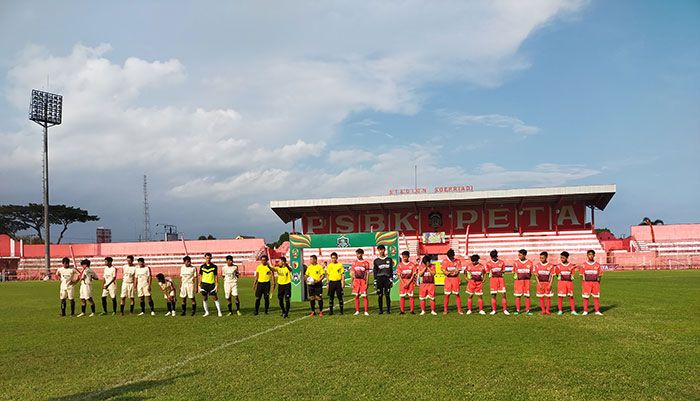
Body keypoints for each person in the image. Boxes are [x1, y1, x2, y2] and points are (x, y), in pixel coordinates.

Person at [580, 250, 604, 316]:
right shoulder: (583, 265)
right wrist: (583, 283)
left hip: (595, 283)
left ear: (594, 255)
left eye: (592, 254)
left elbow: (600, 275)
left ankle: (597, 311)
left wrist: (598, 282)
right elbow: (581, 275)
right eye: (589, 254)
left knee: (596, 297)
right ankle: (585, 311)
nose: (590, 256)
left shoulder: (597, 265)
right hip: (586, 283)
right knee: (586, 297)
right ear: (587, 255)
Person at [486, 250, 509, 315]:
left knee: (503, 295)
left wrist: (500, 273)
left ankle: (505, 310)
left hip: (501, 280)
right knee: (493, 295)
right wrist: (493, 273)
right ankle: (494, 310)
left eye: (494, 257)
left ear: (497, 256)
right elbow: (488, 273)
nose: (493, 258)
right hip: (493, 280)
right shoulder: (488, 263)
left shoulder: (501, 262)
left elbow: (503, 271)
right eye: (492, 257)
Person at [373, 245, 394, 314]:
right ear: (378, 251)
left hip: (387, 279)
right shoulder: (376, 261)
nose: (381, 251)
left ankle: (388, 310)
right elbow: (375, 271)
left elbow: (391, 270)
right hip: (379, 279)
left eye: (382, 249)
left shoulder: (389, 259)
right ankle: (380, 310)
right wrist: (375, 281)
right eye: (379, 250)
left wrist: (391, 279)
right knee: (380, 295)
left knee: (387, 295)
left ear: (384, 250)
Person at [200, 253, 222, 317]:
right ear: (205, 258)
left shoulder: (214, 266)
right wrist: (199, 284)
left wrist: (217, 284)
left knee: (215, 298)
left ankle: (219, 312)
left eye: (209, 258)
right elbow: (200, 276)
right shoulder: (202, 266)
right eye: (207, 258)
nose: (208, 259)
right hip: (204, 284)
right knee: (204, 298)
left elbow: (215, 276)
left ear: (211, 258)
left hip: (211, 284)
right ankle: (206, 312)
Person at [441, 249, 463, 315]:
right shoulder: (444, 261)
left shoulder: (458, 261)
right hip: (448, 279)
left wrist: (453, 273)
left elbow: (457, 270)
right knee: (447, 295)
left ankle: (459, 310)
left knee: (457, 294)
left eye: (452, 256)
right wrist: (450, 274)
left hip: (455, 279)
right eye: (450, 256)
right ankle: (445, 310)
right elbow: (444, 271)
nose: (451, 257)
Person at [513, 249, 534, 315]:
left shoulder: (530, 263)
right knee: (518, 296)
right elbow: (514, 272)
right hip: (518, 282)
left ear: (524, 255)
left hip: (527, 281)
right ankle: (518, 310)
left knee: (527, 296)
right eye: (518, 255)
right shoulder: (516, 263)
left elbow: (530, 273)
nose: (519, 256)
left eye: (520, 255)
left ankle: (528, 310)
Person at [396, 250, 417, 314]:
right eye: (403, 257)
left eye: (406, 257)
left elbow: (413, 275)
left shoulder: (412, 265)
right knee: (402, 296)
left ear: (408, 257)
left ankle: (412, 310)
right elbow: (399, 276)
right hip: (402, 282)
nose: (404, 258)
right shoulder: (399, 265)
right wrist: (403, 283)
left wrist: (408, 283)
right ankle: (402, 311)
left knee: (411, 296)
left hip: (410, 282)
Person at [351, 249, 370, 316]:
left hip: (363, 281)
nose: (358, 255)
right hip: (356, 281)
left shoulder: (366, 263)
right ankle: (357, 311)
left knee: (365, 296)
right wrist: (352, 282)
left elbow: (367, 274)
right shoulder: (354, 262)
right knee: (356, 296)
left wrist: (367, 283)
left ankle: (366, 311)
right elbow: (352, 273)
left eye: (359, 254)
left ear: (362, 254)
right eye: (357, 254)